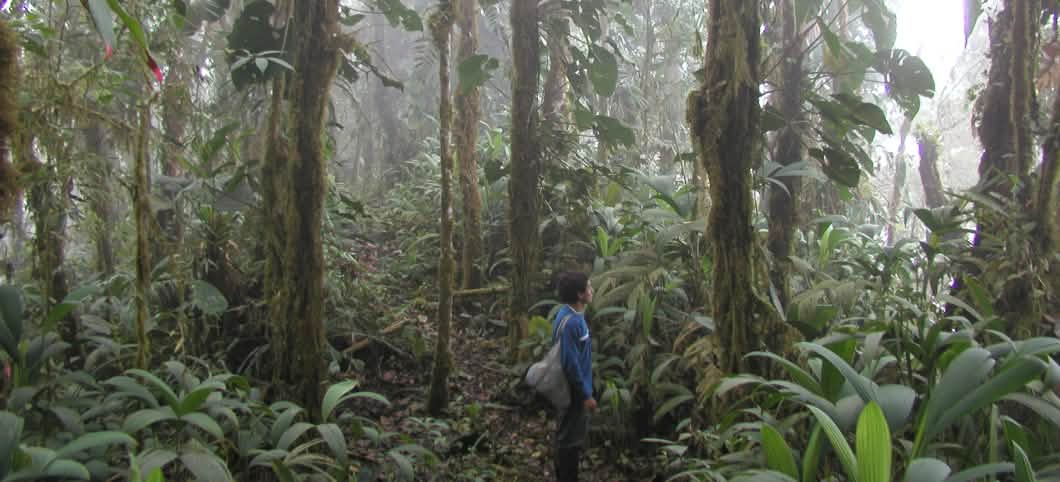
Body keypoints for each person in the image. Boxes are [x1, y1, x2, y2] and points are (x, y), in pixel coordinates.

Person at [552, 272, 596, 482]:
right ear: (580, 295)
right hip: (573, 391)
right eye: (588, 287)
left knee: (567, 436)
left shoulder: (568, 314)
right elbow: (571, 363)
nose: (591, 290)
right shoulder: (572, 323)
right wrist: (586, 394)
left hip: (571, 388)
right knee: (569, 441)